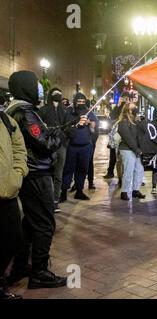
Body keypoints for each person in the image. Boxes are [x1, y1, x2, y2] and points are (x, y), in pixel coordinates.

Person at [6, 70, 69, 289]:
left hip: (30, 173)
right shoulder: (25, 111)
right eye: (35, 84)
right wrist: (59, 135)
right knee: (44, 224)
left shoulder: (16, 109)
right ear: (26, 87)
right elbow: (44, 144)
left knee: (30, 224)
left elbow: (37, 135)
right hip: (36, 174)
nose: (39, 88)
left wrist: (52, 130)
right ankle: (39, 272)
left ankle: (21, 265)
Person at [0, 106, 28, 299]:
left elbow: (19, 148)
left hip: (6, 191)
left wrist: (17, 173)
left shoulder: (6, 120)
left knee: (13, 239)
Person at [39, 88, 70, 213]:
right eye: (55, 94)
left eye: (59, 93)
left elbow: (68, 127)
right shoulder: (44, 110)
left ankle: (55, 201)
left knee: (58, 175)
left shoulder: (64, 111)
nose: (58, 95)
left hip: (61, 146)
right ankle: (46, 200)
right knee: (47, 174)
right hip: (49, 146)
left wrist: (64, 135)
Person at [60, 93, 96, 202]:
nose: (80, 103)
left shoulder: (88, 112)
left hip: (85, 146)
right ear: (75, 101)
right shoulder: (69, 112)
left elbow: (94, 126)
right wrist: (76, 123)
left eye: (82, 101)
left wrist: (90, 123)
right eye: (78, 101)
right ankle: (63, 192)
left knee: (82, 169)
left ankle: (79, 191)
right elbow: (65, 128)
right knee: (68, 170)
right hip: (72, 146)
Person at [118, 102, 145, 201]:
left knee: (139, 170)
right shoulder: (123, 122)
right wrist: (137, 150)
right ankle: (124, 191)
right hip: (127, 149)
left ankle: (135, 190)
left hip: (137, 150)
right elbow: (128, 138)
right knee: (128, 171)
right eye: (133, 106)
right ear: (127, 109)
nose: (135, 107)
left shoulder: (136, 120)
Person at [104, 94, 127, 179]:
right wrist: (118, 105)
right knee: (113, 156)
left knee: (124, 158)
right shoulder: (117, 108)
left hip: (124, 136)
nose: (124, 100)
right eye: (123, 98)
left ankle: (123, 175)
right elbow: (112, 116)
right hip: (115, 136)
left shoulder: (128, 108)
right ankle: (110, 172)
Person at [87, 108, 99, 190]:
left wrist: (92, 142)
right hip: (77, 144)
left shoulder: (91, 115)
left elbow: (95, 130)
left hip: (89, 144)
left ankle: (90, 182)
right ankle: (76, 184)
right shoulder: (74, 113)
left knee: (89, 162)